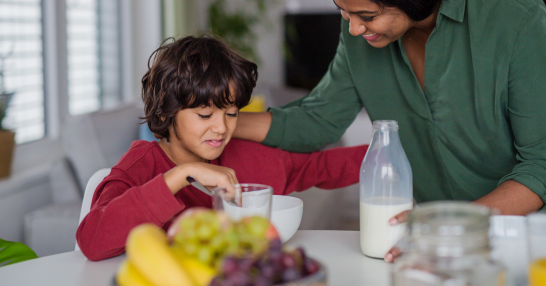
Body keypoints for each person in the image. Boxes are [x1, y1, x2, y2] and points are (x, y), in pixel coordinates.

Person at [233, 0, 546, 259]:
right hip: (464, 216)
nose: (353, 27)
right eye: (343, 11)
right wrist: (219, 122)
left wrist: (451, 225)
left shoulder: (512, 12)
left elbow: (545, 163)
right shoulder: (361, 32)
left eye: (367, 15)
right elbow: (319, 119)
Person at [76, 35, 367, 261]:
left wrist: (398, 150)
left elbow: (323, 167)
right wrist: (184, 174)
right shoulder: (140, 166)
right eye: (205, 115)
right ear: (165, 113)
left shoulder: (251, 156)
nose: (222, 128)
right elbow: (92, 240)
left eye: (231, 113)